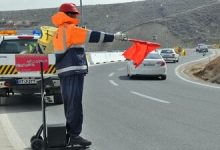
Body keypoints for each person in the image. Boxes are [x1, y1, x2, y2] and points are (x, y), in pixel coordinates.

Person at [51, 3, 127, 147]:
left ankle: (71, 133)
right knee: (75, 105)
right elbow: (93, 35)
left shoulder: (59, 31)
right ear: (69, 15)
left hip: (65, 71)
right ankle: (74, 136)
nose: (76, 16)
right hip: (73, 71)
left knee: (70, 104)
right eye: (74, 14)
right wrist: (115, 37)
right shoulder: (70, 29)